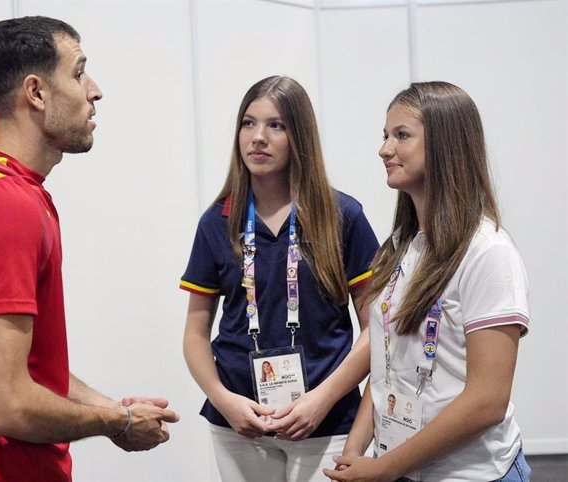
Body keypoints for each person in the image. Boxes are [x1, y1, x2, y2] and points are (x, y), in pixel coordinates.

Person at [0, 16, 179, 482]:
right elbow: (9, 405)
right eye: (79, 73)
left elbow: (26, 366)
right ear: (36, 92)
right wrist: (115, 423)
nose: (94, 91)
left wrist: (109, 406)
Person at [323, 81, 531, 482]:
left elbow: (487, 401)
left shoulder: (488, 252)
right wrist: (354, 450)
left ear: (445, 145)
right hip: (402, 468)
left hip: (470, 474)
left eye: (402, 135)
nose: (385, 149)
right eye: (385, 136)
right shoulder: (399, 246)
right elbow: (387, 365)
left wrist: (383, 469)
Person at [181, 75, 379, 482]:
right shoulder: (218, 221)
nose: (258, 138)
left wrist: (322, 400)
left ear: (300, 136)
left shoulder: (343, 216)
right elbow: (195, 333)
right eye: (248, 123)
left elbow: (377, 327)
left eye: (276, 125)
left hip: (324, 418)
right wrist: (223, 399)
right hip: (239, 420)